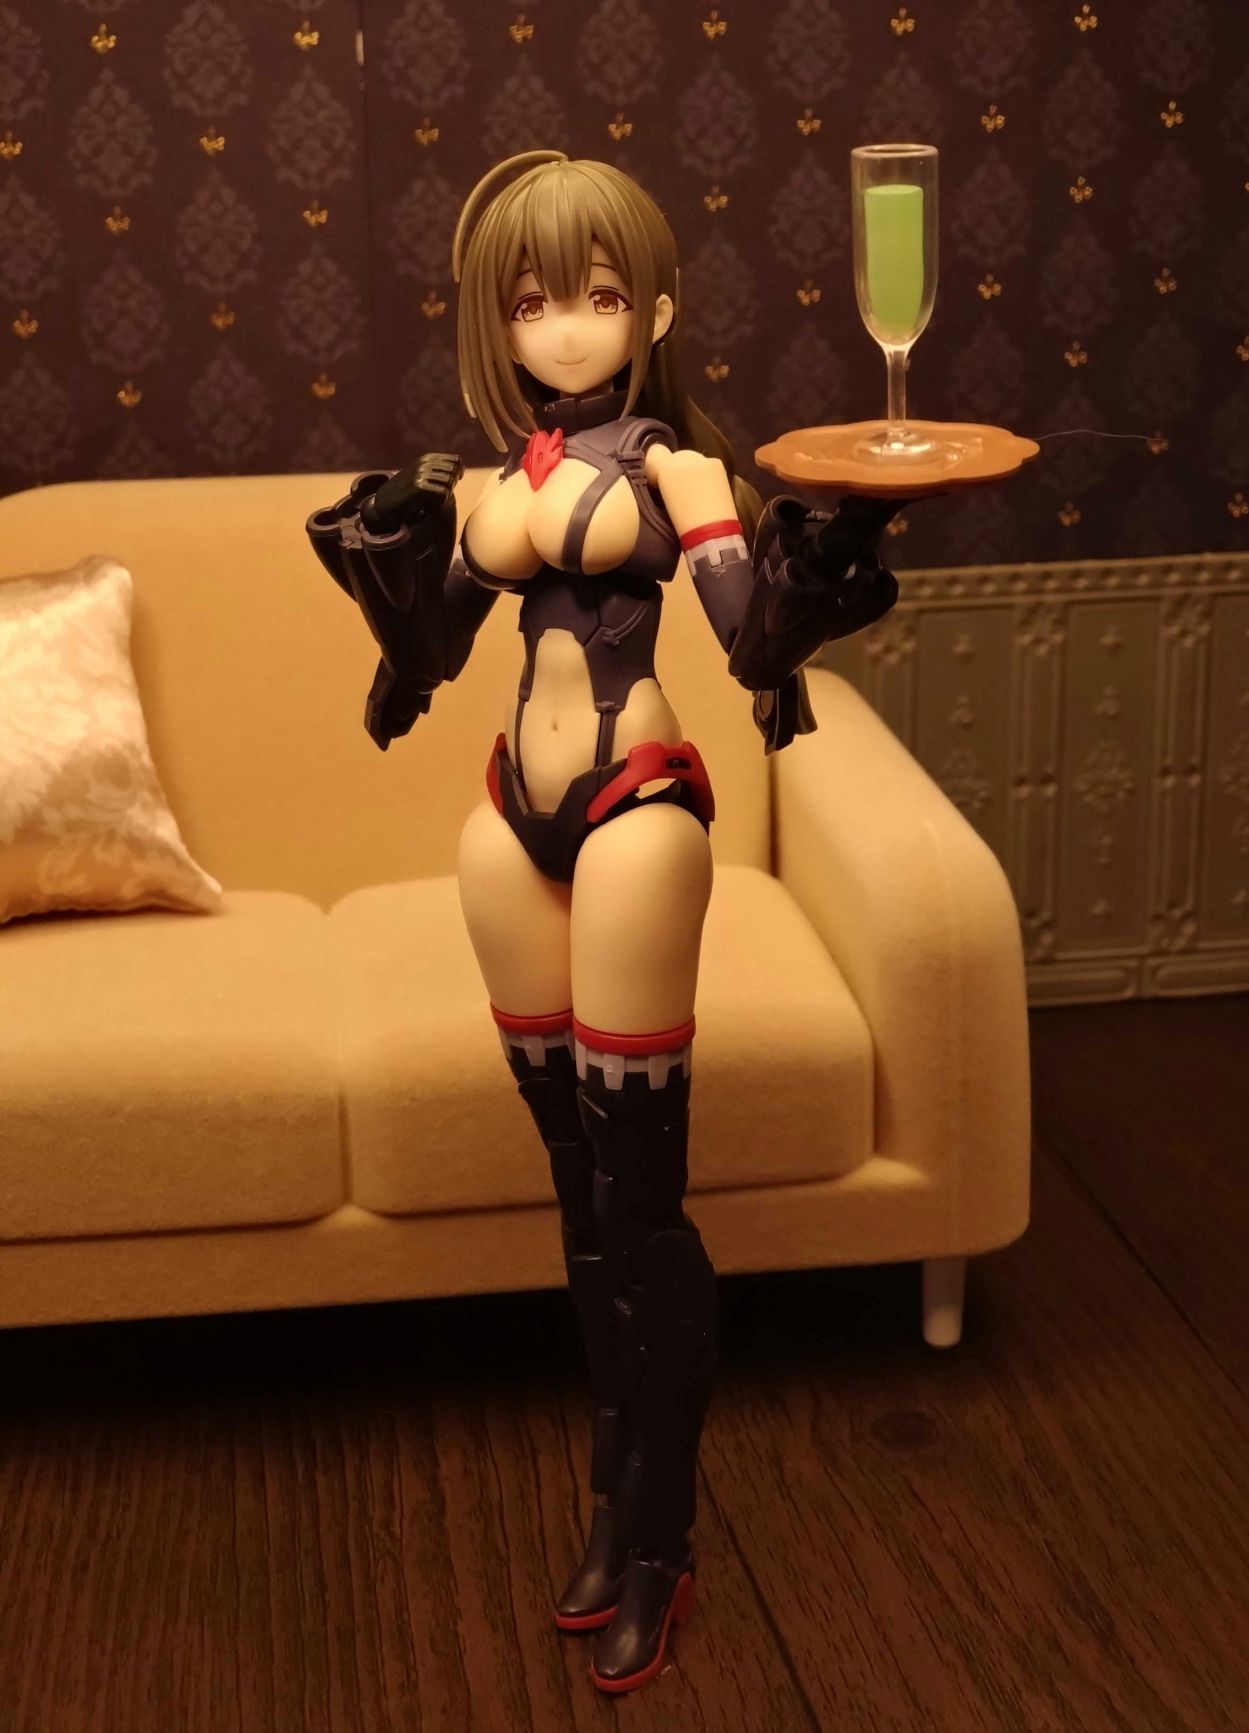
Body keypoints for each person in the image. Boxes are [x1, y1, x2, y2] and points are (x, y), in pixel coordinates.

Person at [306, 150, 899, 1694]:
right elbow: (434, 641)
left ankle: (660, 1539)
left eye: (600, 294)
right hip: (510, 819)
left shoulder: (678, 473)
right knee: (578, 1202)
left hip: (637, 808)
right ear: (492, 323)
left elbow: (752, 634)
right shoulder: (494, 481)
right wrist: (388, 597)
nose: (566, 327)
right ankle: (608, 1495)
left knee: (642, 1206)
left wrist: (829, 561)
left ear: (656, 310)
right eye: (531, 301)